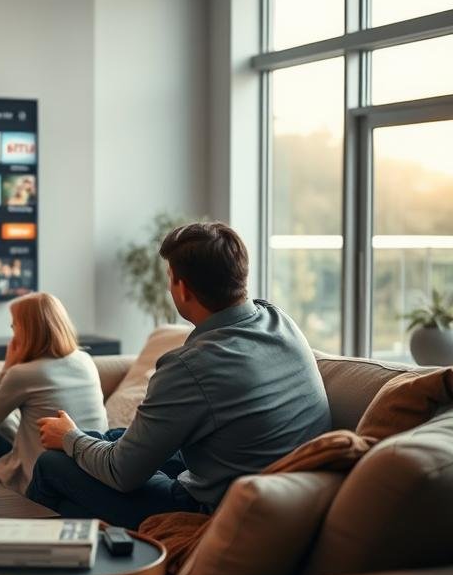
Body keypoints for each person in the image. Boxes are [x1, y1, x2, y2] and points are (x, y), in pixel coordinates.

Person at [27, 222, 332, 528]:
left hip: (213, 509)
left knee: (52, 464)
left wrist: (69, 437)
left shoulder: (190, 365)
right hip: (284, 494)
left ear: (182, 288)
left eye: (170, 279)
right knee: (114, 438)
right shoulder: (280, 320)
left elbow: (122, 473)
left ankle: (16, 551)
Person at [0, 292, 106, 495]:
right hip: (92, 465)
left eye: (14, 326)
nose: (12, 332)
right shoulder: (85, 359)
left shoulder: (23, 373)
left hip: (44, 474)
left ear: (27, 331)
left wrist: (7, 366)